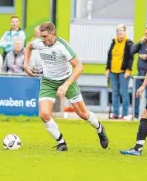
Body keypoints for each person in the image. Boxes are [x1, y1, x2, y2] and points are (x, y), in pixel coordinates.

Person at [23, 22, 108, 151]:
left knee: (83, 114)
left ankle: (100, 128)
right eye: (41, 36)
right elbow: (29, 46)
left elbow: (80, 67)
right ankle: (61, 143)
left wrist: (66, 85)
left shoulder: (62, 46)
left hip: (67, 80)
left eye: (45, 36)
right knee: (44, 114)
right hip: (48, 82)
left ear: (53, 34)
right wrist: (26, 64)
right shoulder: (39, 43)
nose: (42, 40)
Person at [106, 24, 134, 119]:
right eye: (118, 31)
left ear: (125, 32)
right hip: (113, 71)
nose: (120, 33)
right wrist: (107, 69)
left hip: (123, 72)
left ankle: (125, 114)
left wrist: (128, 70)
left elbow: (130, 58)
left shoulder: (129, 43)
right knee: (115, 92)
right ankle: (116, 113)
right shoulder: (114, 42)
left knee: (123, 92)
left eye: (121, 30)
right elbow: (109, 56)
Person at [130, 27, 147, 118]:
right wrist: (139, 43)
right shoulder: (142, 44)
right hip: (140, 73)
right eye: (146, 34)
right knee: (137, 94)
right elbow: (131, 51)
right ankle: (135, 115)